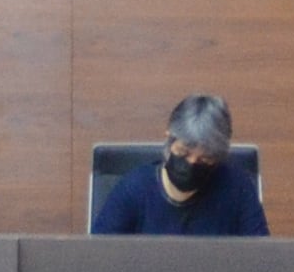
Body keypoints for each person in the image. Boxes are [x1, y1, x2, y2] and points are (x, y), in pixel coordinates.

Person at [92, 93, 269, 235]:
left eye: (204, 159)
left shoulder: (238, 188)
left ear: (218, 158)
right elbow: (97, 256)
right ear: (169, 138)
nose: (191, 163)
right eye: (183, 152)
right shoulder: (134, 188)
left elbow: (261, 259)